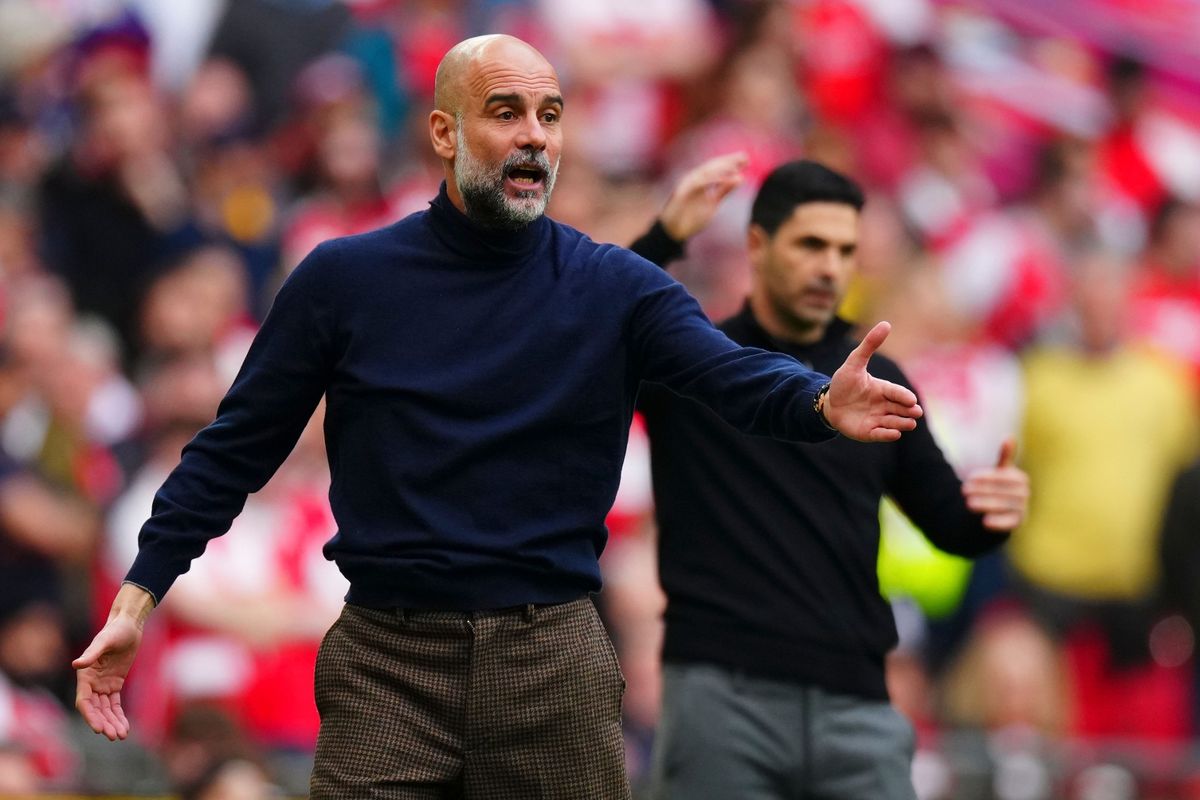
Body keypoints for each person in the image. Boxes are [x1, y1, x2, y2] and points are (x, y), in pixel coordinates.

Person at [73, 36, 924, 800]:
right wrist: (140, 598)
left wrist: (816, 400)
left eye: (550, 116)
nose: (535, 137)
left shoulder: (613, 288)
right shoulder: (344, 280)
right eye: (506, 112)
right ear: (443, 133)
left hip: (553, 658)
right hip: (387, 661)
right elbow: (232, 452)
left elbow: (731, 374)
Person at [632, 159, 1030, 799]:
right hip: (721, 696)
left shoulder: (879, 377)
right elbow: (594, 325)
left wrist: (994, 513)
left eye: (846, 250)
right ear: (757, 247)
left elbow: (949, 522)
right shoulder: (695, 361)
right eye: (811, 244)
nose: (830, 267)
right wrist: (664, 236)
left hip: (857, 701)